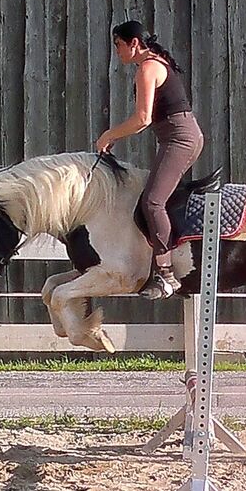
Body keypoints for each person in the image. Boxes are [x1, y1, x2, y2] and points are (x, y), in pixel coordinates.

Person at [96, 20, 204, 300]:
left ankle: (167, 275)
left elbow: (142, 119)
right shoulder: (156, 62)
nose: (117, 51)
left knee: (152, 202)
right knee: (157, 200)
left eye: (118, 44)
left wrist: (109, 134)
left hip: (179, 138)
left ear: (134, 43)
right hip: (180, 136)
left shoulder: (147, 68)